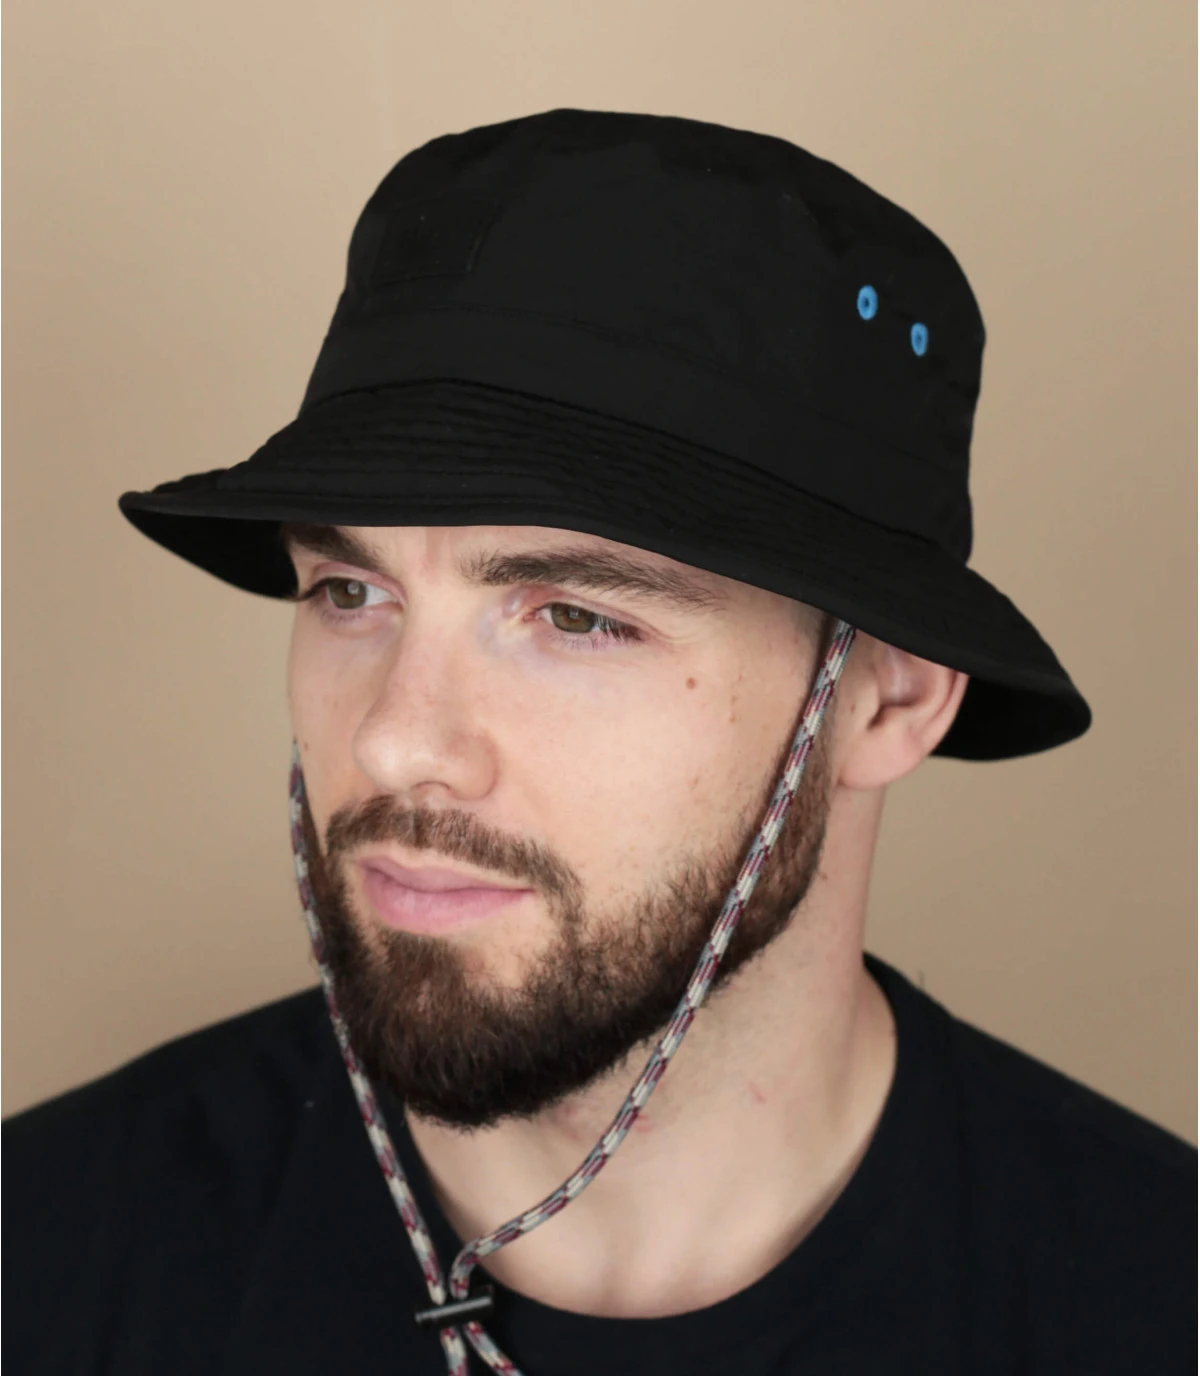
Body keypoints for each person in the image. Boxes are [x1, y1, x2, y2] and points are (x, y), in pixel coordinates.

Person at [4, 108, 1194, 1376]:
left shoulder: (1154, 1301)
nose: (396, 742)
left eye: (574, 615)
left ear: (889, 698)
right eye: (350, 592)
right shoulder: (43, 1254)